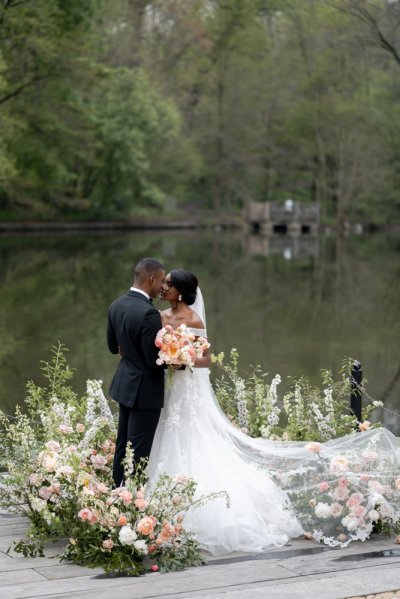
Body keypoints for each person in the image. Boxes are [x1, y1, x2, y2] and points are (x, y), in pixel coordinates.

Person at [147, 269, 303, 555]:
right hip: (168, 390)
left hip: (186, 388)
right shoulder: (158, 316)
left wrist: (183, 357)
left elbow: (206, 360)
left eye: (167, 284)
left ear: (179, 291)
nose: (163, 288)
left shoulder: (192, 320)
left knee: (192, 437)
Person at [107, 257, 166, 487]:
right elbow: (154, 361)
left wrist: (129, 349)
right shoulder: (149, 314)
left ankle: (116, 492)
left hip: (125, 385)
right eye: (161, 281)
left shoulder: (116, 305)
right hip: (145, 391)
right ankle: (132, 503)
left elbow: (113, 347)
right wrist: (177, 358)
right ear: (151, 279)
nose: (162, 287)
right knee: (139, 454)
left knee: (122, 446)